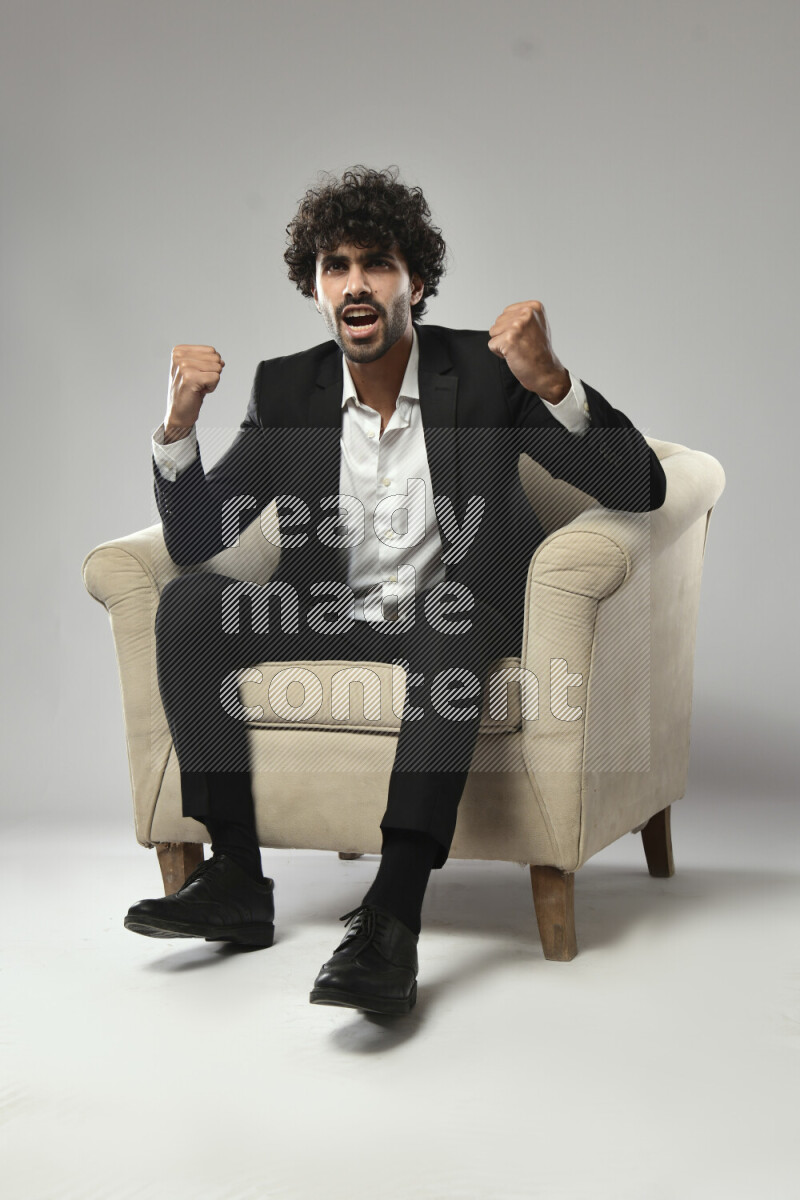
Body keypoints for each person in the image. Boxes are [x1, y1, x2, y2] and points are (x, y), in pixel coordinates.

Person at [124, 165, 667, 1015]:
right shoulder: (285, 390)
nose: (355, 284)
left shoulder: (486, 379)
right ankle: (234, 876)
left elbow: (638, 487)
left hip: (451, 614)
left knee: (445, 629)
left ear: (414, 280)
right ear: (315, 289)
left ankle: (393, 913)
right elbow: (198, 540)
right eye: (335, 267)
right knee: (191, 604)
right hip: (332, 616)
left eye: (376, 262)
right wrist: (177, 432)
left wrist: (552, 380)